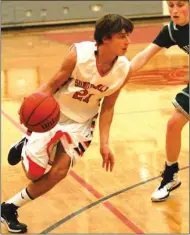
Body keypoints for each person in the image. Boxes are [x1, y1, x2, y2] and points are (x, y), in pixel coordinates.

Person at [1, 14, 134, 233]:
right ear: (105, 38)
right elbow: (53, 83)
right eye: (122, 36)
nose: (128, 41)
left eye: (128, 36)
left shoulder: (123, 69)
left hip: (82, 123)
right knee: (34, 174)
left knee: (59, 172)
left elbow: (108, 107)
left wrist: (105, 143)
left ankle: (8, 207)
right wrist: (30, 109)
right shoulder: (79, 54)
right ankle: (27, 143)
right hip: (54, 114)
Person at [129, 0, 189, 202]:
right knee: (173, 124)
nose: (174, 10)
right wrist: (122, 73)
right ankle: (170, 175)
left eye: (180, 5)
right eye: (171, 5)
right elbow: (145, 55)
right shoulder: (172, 31)